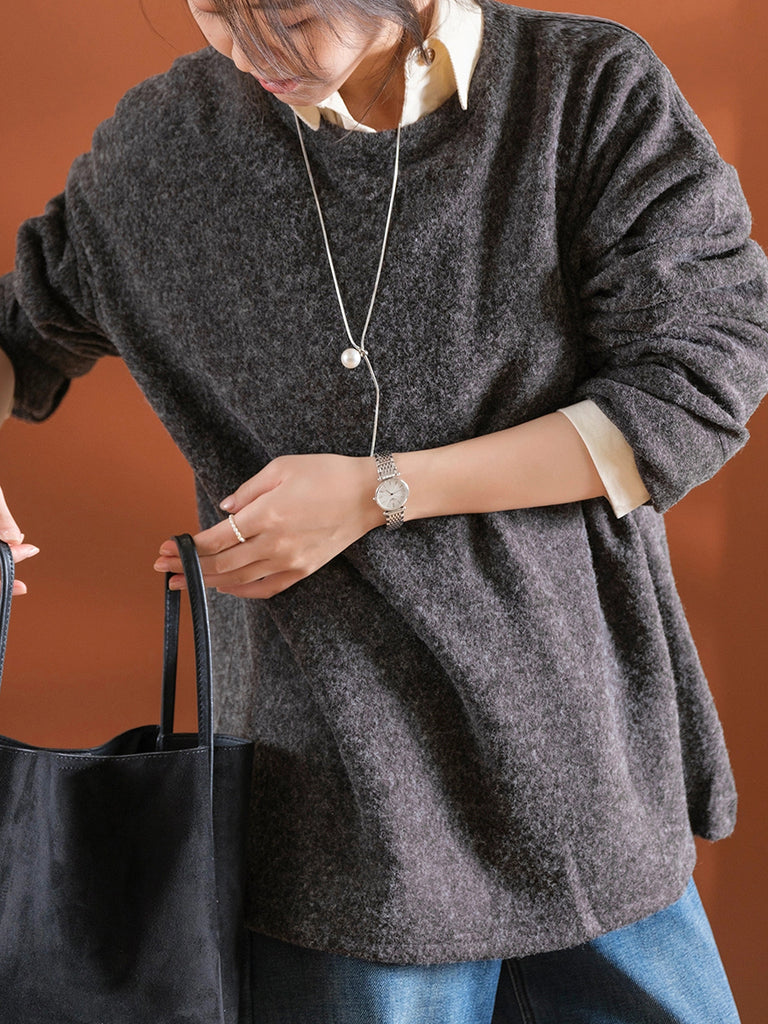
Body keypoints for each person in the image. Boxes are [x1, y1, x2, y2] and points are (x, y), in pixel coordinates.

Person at [1, 0, 766, 1020]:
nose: (250, 51)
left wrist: (377, 492)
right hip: (338, 828)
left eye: (290, 16)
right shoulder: (165, 148)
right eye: (216, 12)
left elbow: (696, 381)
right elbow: (19, 331)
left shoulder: (581, 90)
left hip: (586, 783)